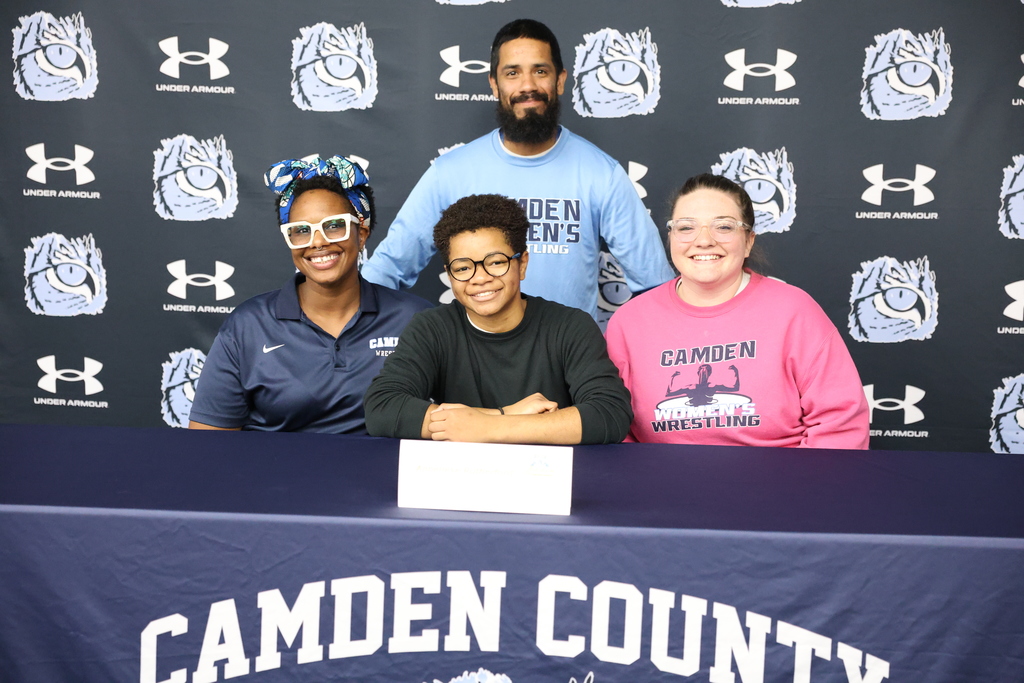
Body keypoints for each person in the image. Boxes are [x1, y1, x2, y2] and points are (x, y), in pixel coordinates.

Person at [360, 18, 673, 321]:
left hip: (569, 366)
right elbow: (388, 270)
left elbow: (656, 288)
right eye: (512, 73)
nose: (528, 86)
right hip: (475, 366)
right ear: (494, 84)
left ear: (560, 80)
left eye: (540, 71)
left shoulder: (602, 174)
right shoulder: (452, 172)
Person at [605, 174, 869, 449]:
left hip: (783, 487)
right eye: (686, 227)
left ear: (749, 241)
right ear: (671, 237)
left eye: (724, 227)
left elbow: (840, 424)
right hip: (662, 487)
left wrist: (795, 489)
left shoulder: (795, 312)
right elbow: (611, 424)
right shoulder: (629, 322)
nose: (704, 240)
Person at [188, 155, 431, 433]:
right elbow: (207, 443)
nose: (318, 242)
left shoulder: (416, 320)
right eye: (301, 231)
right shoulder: (248, 326)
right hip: (273, 476)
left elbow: (458, 423)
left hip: (384, 476)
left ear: (361, 233)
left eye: (334, 226)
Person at [364, 194, 632, 444]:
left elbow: (608, 413)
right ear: (449, 274)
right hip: (459, 478)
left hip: (547, 479)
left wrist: (482, 427)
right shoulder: (432, 328)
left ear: (522, 263)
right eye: (463, 268)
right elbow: (383, 409)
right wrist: (504, 414)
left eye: (495, 262)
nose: (479, 278)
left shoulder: (569, 326)